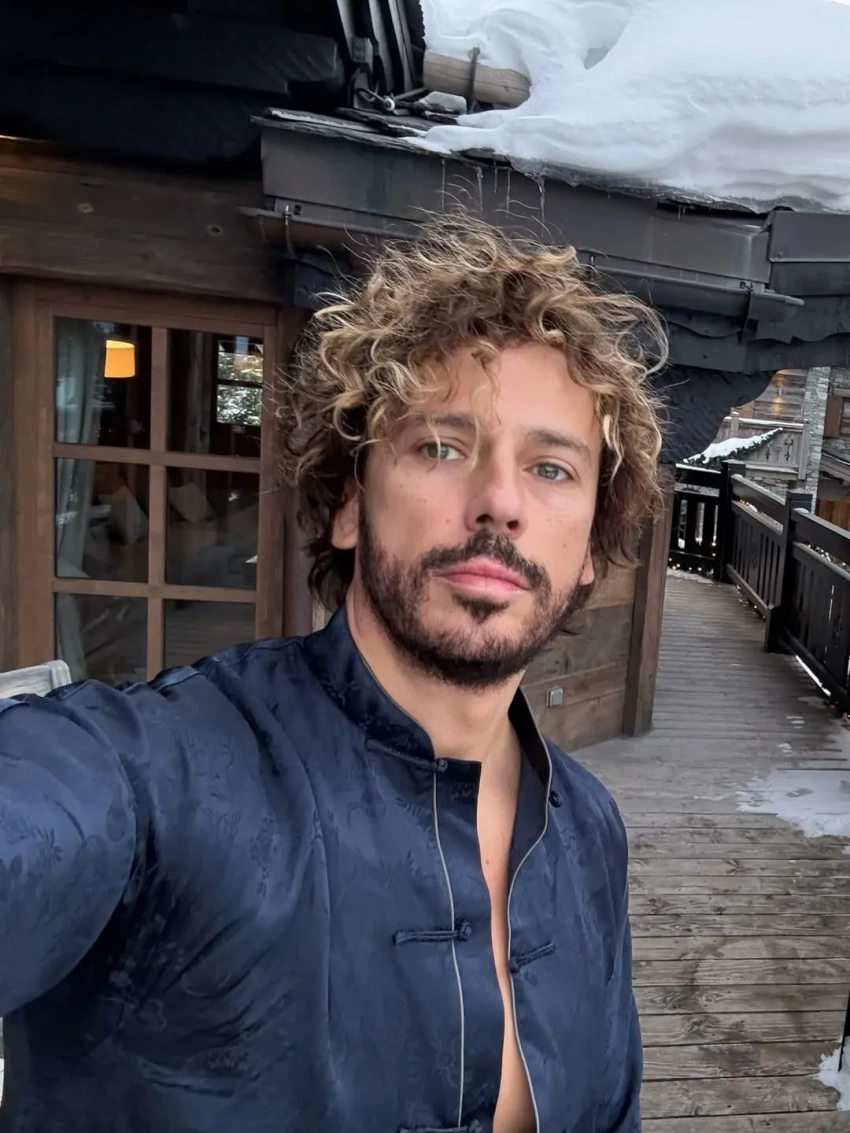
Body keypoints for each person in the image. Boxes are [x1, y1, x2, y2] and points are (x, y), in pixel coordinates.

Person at [0, 212, 665, 1133]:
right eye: (441, 446)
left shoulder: (589, 831)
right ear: (350, 502)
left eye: (551, 468)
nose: (499, 502)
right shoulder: (172, 776)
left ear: (591, 548)